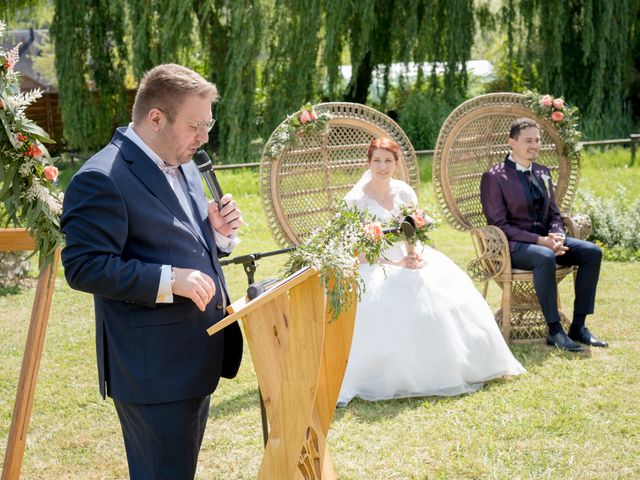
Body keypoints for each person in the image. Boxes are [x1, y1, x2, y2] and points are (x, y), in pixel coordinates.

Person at [61, 64, 243, 479]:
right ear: (156, 118)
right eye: (196, 125)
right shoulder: (100, 177)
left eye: (208, 124)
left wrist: (217, 237)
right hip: (153, 371)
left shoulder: (185, 164)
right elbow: (84, 266)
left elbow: (179, 242)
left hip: (194, 356)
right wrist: (168, 279)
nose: (205, 138)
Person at [337, 138, 525, 406]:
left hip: (407, 256)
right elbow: (355, 250)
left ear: (396, 164)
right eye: (377, 160)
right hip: (373, 262)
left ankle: (455, 364)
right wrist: (394, 264)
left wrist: (412, 255)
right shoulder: (355, 200)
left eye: (388, 161)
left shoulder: (404, 192)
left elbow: (410, 230)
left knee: (438, 287)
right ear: (368, 163)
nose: (382, 166)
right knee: (388, 300)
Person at [480, 117, 607, 352]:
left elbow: (554, 214)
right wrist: (541, 242)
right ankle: (555, 330)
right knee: (544, 256)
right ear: (512, 142)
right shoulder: (494, 177)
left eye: (537, 140)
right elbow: (499, 225)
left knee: (592, 252)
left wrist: (557, 235)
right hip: (513, 248)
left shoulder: (542, 171)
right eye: (528, 140)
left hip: (547, 242)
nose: (534, 145)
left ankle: (578, 326)